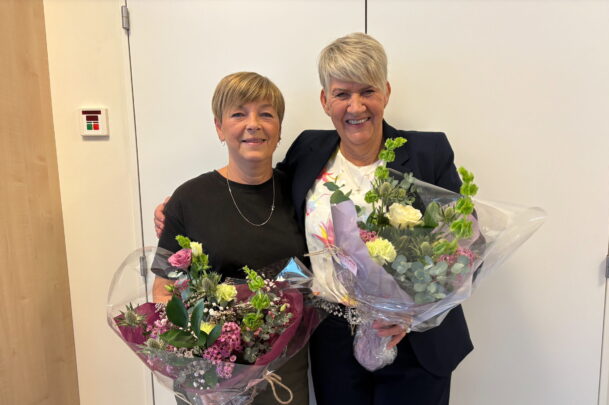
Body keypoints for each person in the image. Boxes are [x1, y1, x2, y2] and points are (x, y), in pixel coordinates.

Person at [156, 33, 472, 405]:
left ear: (386, 92)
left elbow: (465, 251)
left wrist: (412, 315)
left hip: (413, 342)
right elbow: (258, 193)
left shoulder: (427, 153)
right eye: (342, 94)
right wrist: (181, 210)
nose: (356, 106)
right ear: (325, 100)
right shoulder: (309, 150)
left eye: (367, 91)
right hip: (331, 340)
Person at [152, 72, 309, 405]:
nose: (253, 124)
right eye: (239, 114)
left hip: (282, 374)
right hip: (210, 378)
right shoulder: (189, 199)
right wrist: (200, 359)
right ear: (219, 127)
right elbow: (164, 291)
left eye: (266, 114)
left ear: (279, 128)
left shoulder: (300, 192)